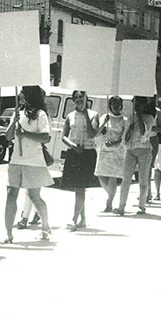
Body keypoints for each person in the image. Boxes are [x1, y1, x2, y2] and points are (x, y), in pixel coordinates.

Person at [2, 86, 53, 242]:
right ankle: (9, 234)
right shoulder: (18, 113)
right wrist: (14, 121)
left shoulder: (41, 114)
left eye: (23, 92)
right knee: (11, 196)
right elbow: (8, 136)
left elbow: (45, 137)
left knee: (34, 197)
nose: (20, 94)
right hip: (16, 160)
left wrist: (25, 134)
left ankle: (45, 226)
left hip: (34, 162)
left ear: (30, 95)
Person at [61, 90, 99, 230]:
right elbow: (64, 136)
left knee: (80, 188)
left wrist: (85, 115)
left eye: (81, 97)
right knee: (78, 188)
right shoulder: (70, 116)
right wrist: (72, 145)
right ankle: (82, 219)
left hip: (88, 153)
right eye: (76, 98)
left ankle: (73, 219)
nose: (79, 100)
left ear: (86, 98)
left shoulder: (93, 114)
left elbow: (92, 133)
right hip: (74, 152)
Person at [114, 96, 155, 215]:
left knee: (143, 180)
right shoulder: (130, 119)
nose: (136, 107)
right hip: (131, 150)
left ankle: (141, 206)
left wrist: (138, 116)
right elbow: (125, 138)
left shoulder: (149, 118)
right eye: (135, 105)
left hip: (144, 150)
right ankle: (121, 206)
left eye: (139, 105)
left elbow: (144, 134)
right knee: (125, 179)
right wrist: (130, 130)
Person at [94, 95, 127, 212]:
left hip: (117, 150)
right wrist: (104, 123)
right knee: (100, 175)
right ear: (110, 105)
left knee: (112, 177)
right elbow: (96, 133)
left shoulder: (124, 120)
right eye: (114, 104)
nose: (116, 107)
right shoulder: (105, 117)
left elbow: (124, 137)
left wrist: (115, 143)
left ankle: (109, 202)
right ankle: (110, 195)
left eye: (118, 105)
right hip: (104, 149)